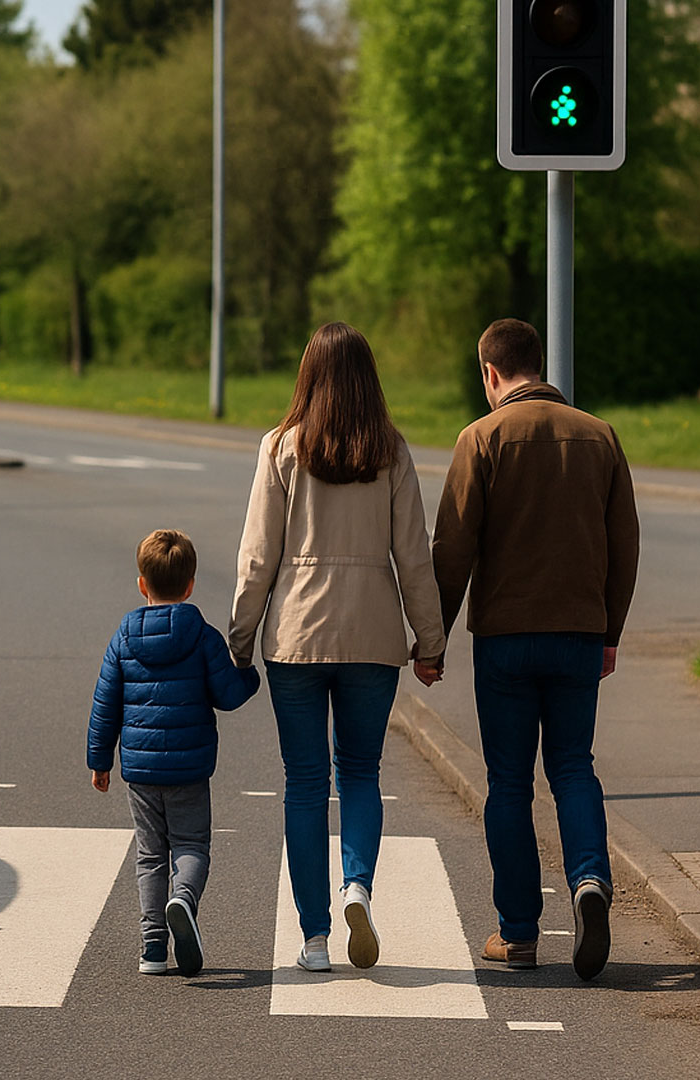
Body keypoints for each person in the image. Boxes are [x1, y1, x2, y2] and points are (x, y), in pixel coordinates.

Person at [229, 322, 447, 974]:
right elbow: (414, 556)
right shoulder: (391, 451)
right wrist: (429, 640)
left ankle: (315, 938)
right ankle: (357, 886)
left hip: (296, 635)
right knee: (360, 772)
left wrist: (240, 640)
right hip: (372, 634)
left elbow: (258, 556)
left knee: (304, 783)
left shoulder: (280, 448)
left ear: (309, 376)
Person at [431, 317, 639, 981]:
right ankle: (590, 880)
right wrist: (610, 631)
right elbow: (625, 545)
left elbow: (453, 547)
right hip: (579, 633)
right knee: (573, 766)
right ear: (539, 364)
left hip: (505, 639)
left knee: (509, 783)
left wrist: (433, 637)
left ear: (490, 373)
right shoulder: (599, 436)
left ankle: (519, 934)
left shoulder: (481, 438)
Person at [89, 529, 260, 977]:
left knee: (150, 855)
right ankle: (182, 898)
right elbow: (228, 694)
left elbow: (105, 702)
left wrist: (99, 760)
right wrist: (251, 676)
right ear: (190, 585)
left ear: (142, 584)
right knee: (191, 845)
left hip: (140, 768)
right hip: (189, 767)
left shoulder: (123, 638)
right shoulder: (202, 636)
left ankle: (152, 948)